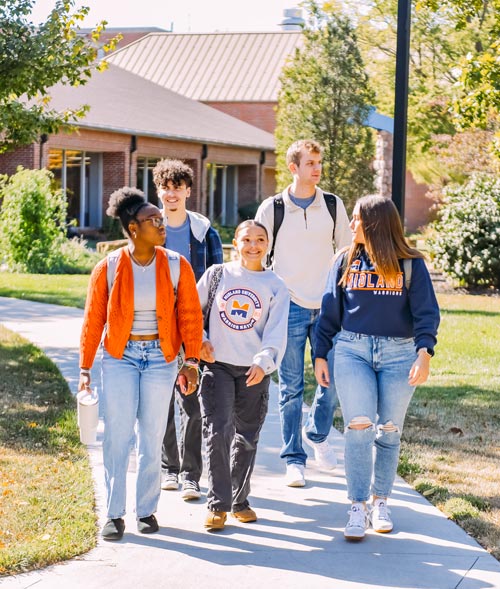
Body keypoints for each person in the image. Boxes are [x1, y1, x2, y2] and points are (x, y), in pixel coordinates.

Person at [79, 187, 203, 541]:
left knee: (151, 435)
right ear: (133, 228)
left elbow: (191, 317)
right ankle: (114, 514)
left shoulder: (177, 265)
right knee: (117, 436)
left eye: (161, 220)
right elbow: (93, 319)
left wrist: (190, 361)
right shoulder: (109, 267)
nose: (161, 224)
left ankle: (146, 510)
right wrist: (86, 368)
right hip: (120, 357)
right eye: (153, 220)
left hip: (161, 359)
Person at [314, 195, 440, 540]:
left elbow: (427, 313)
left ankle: (380, 501)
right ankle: (357, 506)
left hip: (400, 353)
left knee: (388, 429)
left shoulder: (410, 264)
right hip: (352, 349)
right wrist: (320, 354)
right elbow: (328, 312)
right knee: (359, 426)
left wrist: (424, 353)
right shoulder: (343, 261)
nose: (351, 225)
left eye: (356, 219)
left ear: (373, 224)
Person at [255, 139, 351, 487]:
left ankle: (318, 432)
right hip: (289, 306)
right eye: (310, 162)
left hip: (328, 306)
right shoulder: (273, 208)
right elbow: (258, 256)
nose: (317, 168)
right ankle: (294, 459)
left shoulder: (332, 204)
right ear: (293, 168)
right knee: (291, 388)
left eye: (319, 162)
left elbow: (345, 253)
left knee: (335, 376)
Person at [197, 220, 289, 530]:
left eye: (260, 239)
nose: (253, 245)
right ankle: (217, 504)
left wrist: (264, 362)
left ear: (268, 244)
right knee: (218, 430)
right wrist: (200, 338)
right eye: (246, 239)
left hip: (254, 370)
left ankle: (239, 500)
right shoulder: (217, 275)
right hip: (218, 365)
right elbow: (193, 313)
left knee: (247, 437)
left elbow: (276, 332)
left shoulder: (276, 284)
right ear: (235, 243)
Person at [153, 158, 224, 501]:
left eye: (177, 187)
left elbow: (218, 282)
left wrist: (209, 331)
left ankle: (191, 474)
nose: (171, 193)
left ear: (188, 191)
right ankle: (169, 468)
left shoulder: (204, 233)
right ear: (158, 190)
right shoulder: (150, 227)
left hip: (194, 325)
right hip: (156, 325)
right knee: (163, 398)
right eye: (165, 187)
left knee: (192, 401)